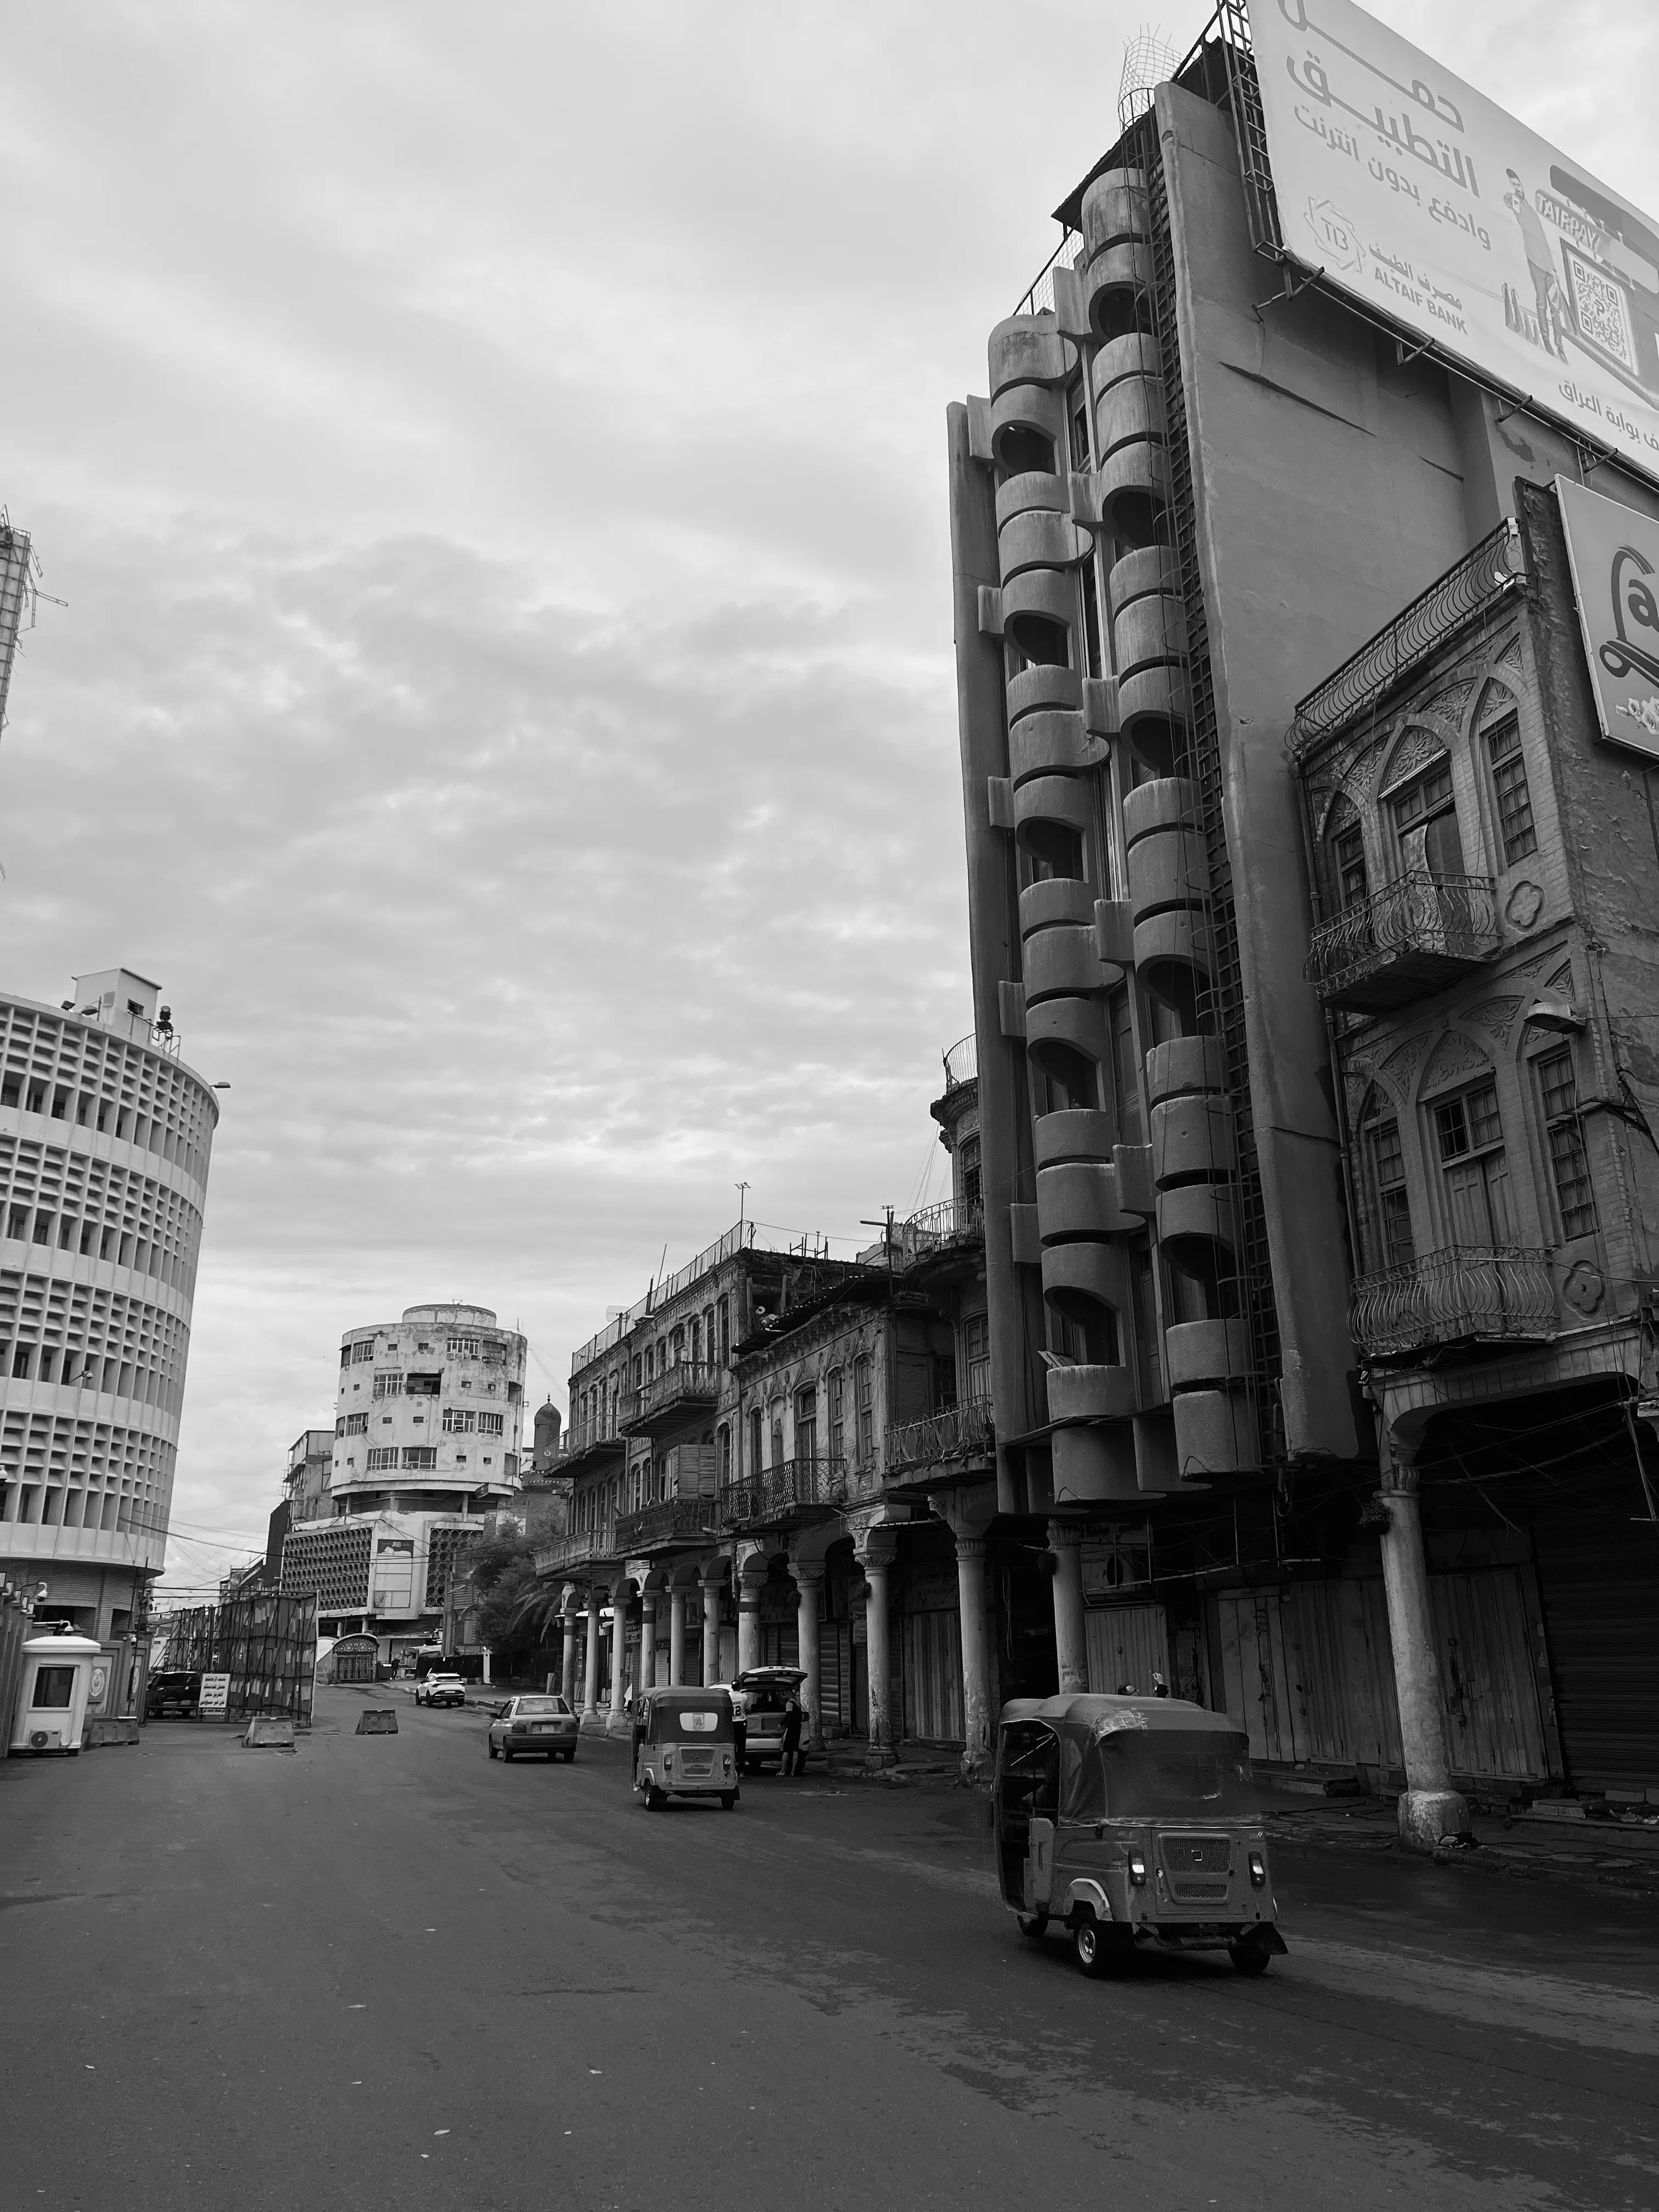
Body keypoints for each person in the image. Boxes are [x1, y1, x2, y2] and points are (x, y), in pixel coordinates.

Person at [781, 1692, 804, 1777]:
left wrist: (782, 1724)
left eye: (784, 1694)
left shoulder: (789, 1704)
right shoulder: (798, 1703)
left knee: (786, 1750)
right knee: (795, 1750)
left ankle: (783, 1771)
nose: (783, 1697)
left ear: (787, 1695)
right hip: (798, 1729)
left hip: (791, 1729)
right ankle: (793, 1771)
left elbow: (789, 1716)